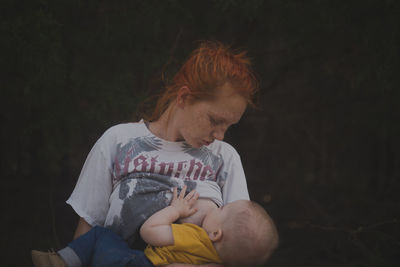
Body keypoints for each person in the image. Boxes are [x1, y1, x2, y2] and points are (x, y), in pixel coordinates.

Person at [33, 41, 260, 267]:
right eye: (215, 120)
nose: (220, 135)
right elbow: (87, 232)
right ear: (184, 97)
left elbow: (238, 247)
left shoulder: (225, 157)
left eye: (228, 126)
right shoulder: (119, 141)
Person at [32, 186, 278, 267]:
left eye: (221, 209)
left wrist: (176, 210)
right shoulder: (217, 261)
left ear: (216, 234)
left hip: (139, 263)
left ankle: (60, 262)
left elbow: (149, 231)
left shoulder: (194, 237)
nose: (217, 207)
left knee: (101, 236)